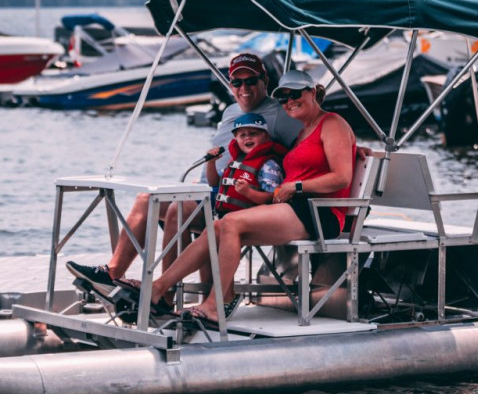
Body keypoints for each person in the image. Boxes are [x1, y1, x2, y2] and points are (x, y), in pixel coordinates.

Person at [121, 69, 358, 328]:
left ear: (312, 92)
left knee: (231, 223)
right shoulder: (302, 132)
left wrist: (297, 186)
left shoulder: (333, 123)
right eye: (284, 98)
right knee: (219, 226)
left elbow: (342, 177)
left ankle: (215, 304)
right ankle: (159, 289)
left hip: (319, 212)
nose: (289, 101)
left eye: (295, 94)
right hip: (294, 207)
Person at [65, 53, 302, 297]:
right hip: (208, 188)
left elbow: (301, 154)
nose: (244, 88)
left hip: (238, 198)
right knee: (146, 199)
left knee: (179, 210)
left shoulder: (280, 116)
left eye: (251, 81)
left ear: (264, 80)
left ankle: (164, 297)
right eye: (237, 82)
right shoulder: (230, 111)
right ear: (230, 85)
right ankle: (112, 273)